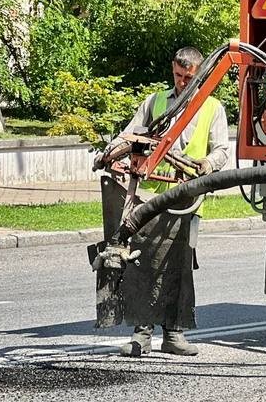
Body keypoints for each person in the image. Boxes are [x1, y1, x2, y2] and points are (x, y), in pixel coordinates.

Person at [96, 46, 228, 357]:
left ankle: (174, 334)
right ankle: (142, 334)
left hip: (186, 198)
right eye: (178, 76)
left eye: (188, 77)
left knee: (178, 266)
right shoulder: (155, 102)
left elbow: (222, 149)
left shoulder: (211, 108)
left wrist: (207, 165)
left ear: (201, 76)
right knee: (142, 264)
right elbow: (131, 135)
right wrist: (112, 153)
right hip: (150, 198)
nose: (182, 82)